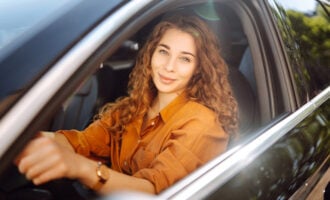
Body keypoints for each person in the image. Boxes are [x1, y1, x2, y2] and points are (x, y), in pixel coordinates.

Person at [16, 14, 238, 195]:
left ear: (198, 69)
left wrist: (80, 167)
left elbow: (152, 191)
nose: (169, 66)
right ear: (150, 55)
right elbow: (82, 142)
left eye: (185, 59)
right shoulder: (134, 107)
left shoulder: (202, 123)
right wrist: (22, 139)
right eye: (163, 52)